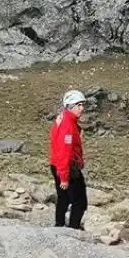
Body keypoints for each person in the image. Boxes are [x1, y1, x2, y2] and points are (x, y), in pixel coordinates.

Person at [49, 89, 88, 229]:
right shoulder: (67, 125)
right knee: (80, 201)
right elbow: (65, 152)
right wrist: (64, 177)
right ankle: (73, 229)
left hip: (57, 165)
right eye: (79, 105)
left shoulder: (64, 120)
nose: (82, 108)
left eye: (82, 105)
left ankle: (59, 225)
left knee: (63, 198)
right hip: (67, 166)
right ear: (70, 106)